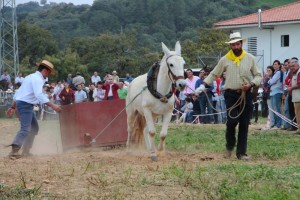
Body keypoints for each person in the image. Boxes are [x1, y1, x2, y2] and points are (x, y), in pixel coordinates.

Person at [196, 32, 262, 160]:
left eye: (237, 44)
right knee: (231, 122)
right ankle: (229, 147)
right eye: (233, 45)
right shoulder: (225, 59)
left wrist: (252, 84)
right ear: (230, 46)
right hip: (231, 94)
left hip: (245, 93)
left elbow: (258, 75)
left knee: (244, 124)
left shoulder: (250, 58)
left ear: (241, 44)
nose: (236, 47)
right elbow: (214, 74)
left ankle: (241, 153)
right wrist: (203, 85)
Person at [7, 60, 62, 158]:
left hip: (24, 104)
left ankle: (26, 151)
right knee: (25, 129)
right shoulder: (38, 80)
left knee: (34, 128)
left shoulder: (29, 77)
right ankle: (14, 151)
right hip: (25, 105)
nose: (48, 75)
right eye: (49, 73)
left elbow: (18, 92)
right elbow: (39, 95)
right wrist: (53, 106)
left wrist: (13, 106)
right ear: (45, 71)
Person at [286, 58, 300, 134]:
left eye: (293, 66)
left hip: (298, 97)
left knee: (298, 114)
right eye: (290, 66)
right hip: (296, 97)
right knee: (297, 114)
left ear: (298, 65)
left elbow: (299, 83)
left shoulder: (299, 73)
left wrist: (291, 88)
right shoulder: (294, 73)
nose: (292, 68)